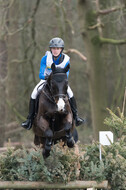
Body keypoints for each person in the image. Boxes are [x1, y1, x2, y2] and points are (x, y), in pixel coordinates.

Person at [21, 37, 85, 130]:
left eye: (58, 48)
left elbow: (66, 75)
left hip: (60, 83)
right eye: (54, 48)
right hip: (46, 80)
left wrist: (58, 79)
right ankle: (30, 119)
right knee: (34, 94)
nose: (55, 51)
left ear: (61, 49)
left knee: (71, 94)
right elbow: (41, 74)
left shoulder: (66, 59)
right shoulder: (45, 58)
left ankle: (76, 117)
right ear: (50, 49)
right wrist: (49, 78)